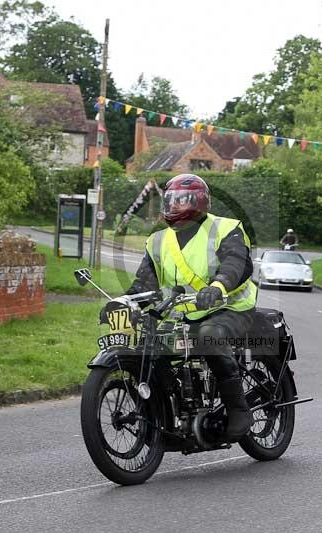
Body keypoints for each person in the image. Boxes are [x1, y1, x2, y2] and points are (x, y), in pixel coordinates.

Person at [122, 174, 258, 441]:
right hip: (184, 313)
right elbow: (144, 283)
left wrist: (217, 287)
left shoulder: (224, 228)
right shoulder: (158, 241)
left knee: (209, 335)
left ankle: (239, 411)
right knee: (151, 345)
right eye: (172, 201)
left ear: (200, 202)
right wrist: (125, 301)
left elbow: (236, 263)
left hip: (231, 307)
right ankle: (170, 408)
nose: (177, 207)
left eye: (184, 201)